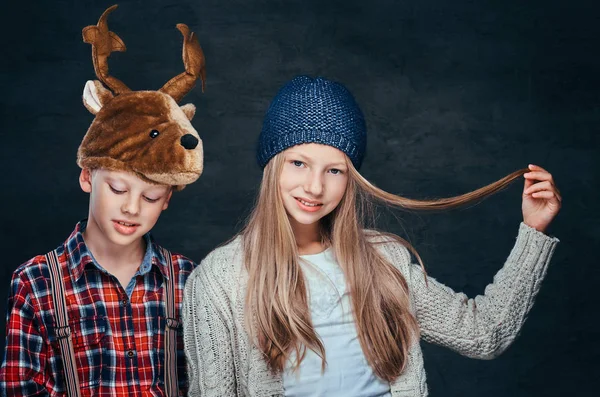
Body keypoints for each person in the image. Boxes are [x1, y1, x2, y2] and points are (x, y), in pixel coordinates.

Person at [182, 75, 561, 396]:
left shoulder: (384, 260)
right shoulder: (219, 280)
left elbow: (485, 333)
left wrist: (533, 231)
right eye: (298, 163)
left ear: (352, 180)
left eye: (335, 171)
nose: (314, 187)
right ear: (272, 166)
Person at [0, 5, 206, 396]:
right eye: (117, 189)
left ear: (167, 199)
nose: (132, 208)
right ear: (86, 176)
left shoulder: (188, 281)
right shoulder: (37, 283)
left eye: (150, 196)